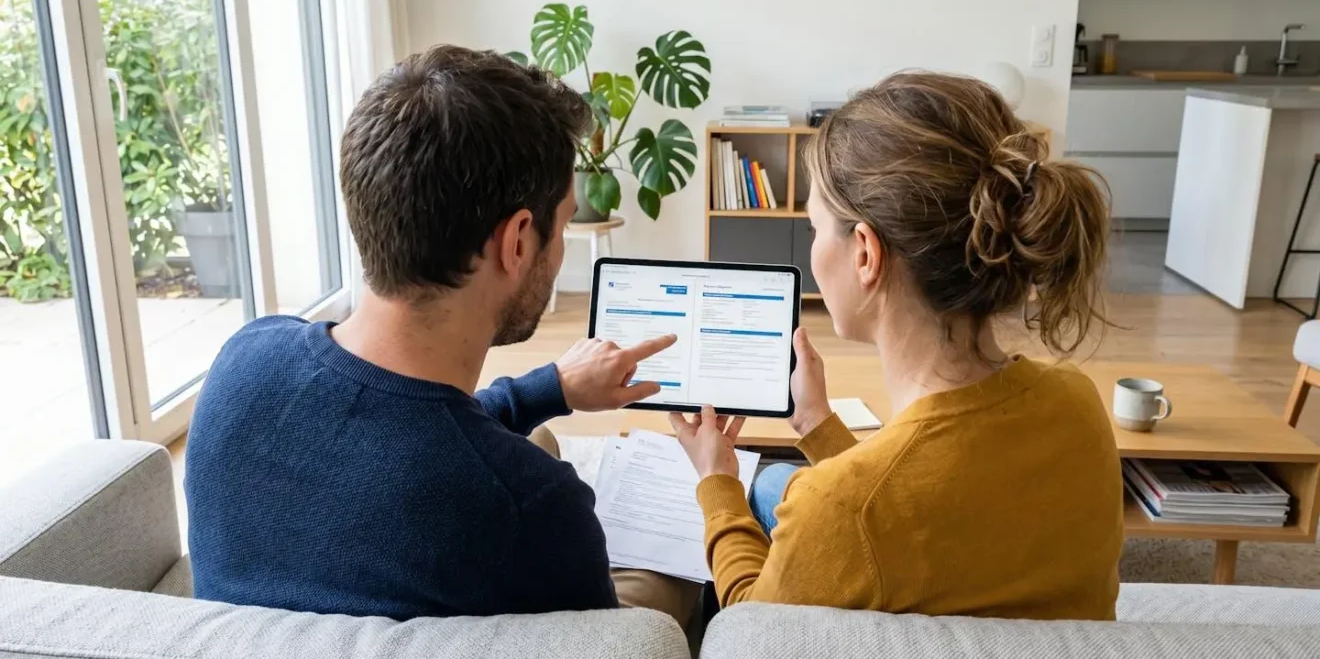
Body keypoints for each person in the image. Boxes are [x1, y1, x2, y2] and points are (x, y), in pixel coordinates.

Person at [185, 45, 699, 623]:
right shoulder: (532, 505)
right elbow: (609, 643)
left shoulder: (243, 363)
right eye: (564, 222)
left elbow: (401, 432)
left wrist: (549, 389)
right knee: (665, 577)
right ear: (519, 241)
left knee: (541, 439)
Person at [670, 71, 1123, 620]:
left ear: (865, 253)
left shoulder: (838, 508)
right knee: (774, 485)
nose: (812, 250)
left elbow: (752, 625)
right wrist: (816, 424)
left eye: (814, 229)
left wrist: (717, 484)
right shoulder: (1079, 403)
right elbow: (909, 494)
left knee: (767, 491)